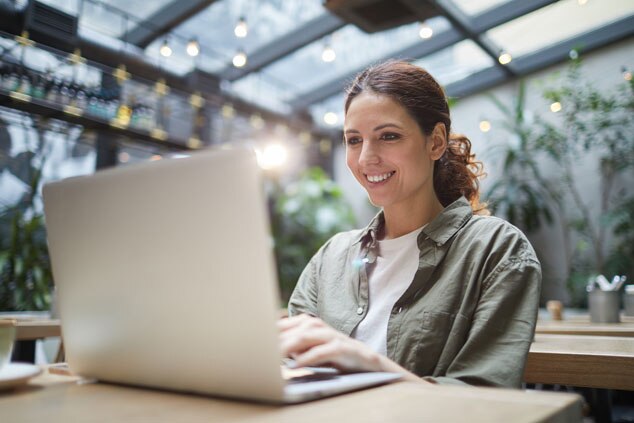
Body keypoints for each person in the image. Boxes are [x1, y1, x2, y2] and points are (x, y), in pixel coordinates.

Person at [278, 60, 541, 388]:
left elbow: (486, 400)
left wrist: (368, 364)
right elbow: (293, 373)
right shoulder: (330, 259)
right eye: (354, 140)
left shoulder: (496, 251)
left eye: (388, 136)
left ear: (436, 142)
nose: (365, 159)